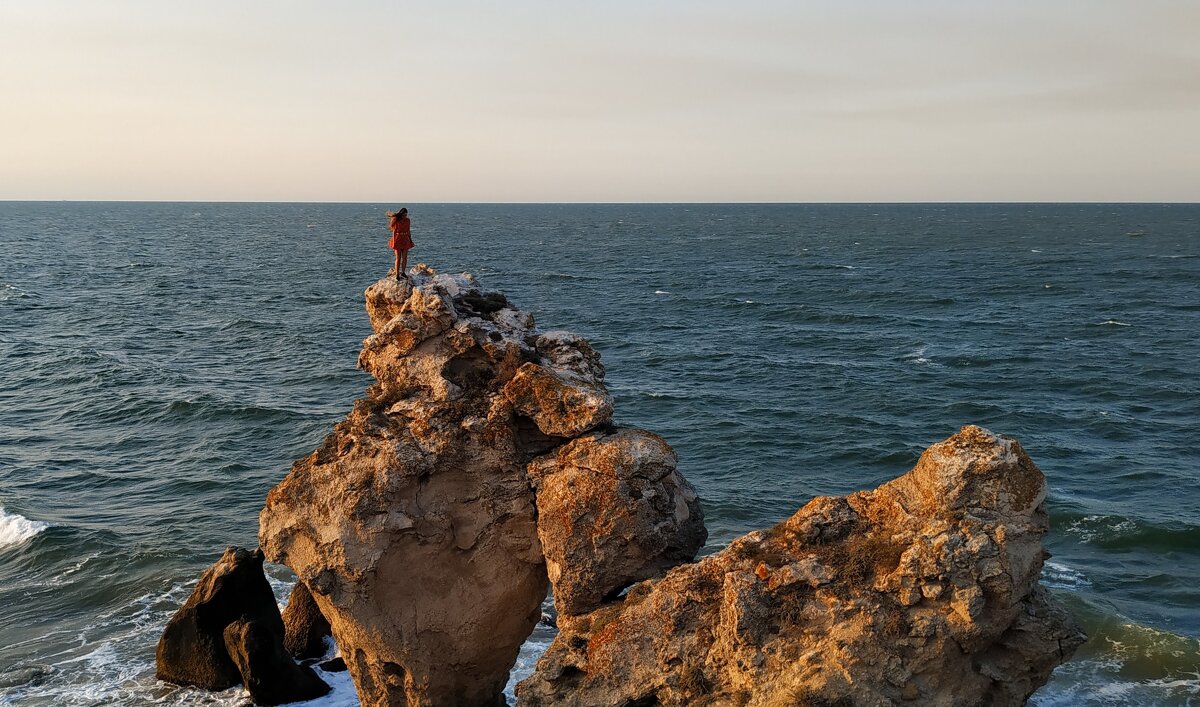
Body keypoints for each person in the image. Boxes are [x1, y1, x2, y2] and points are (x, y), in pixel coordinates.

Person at [387, 208, 414, 280]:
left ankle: (403, 272)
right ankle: (397, 274)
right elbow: (394, 231)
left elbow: (408, 231)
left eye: (406, 215)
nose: (405, 216)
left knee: (405, 258)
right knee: (398, 258)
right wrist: (394, 242)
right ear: (401, 214)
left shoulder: (408, 220)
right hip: (397, 239)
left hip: (405, 239)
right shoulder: (397, 220)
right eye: (404, 215)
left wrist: (411, 240)